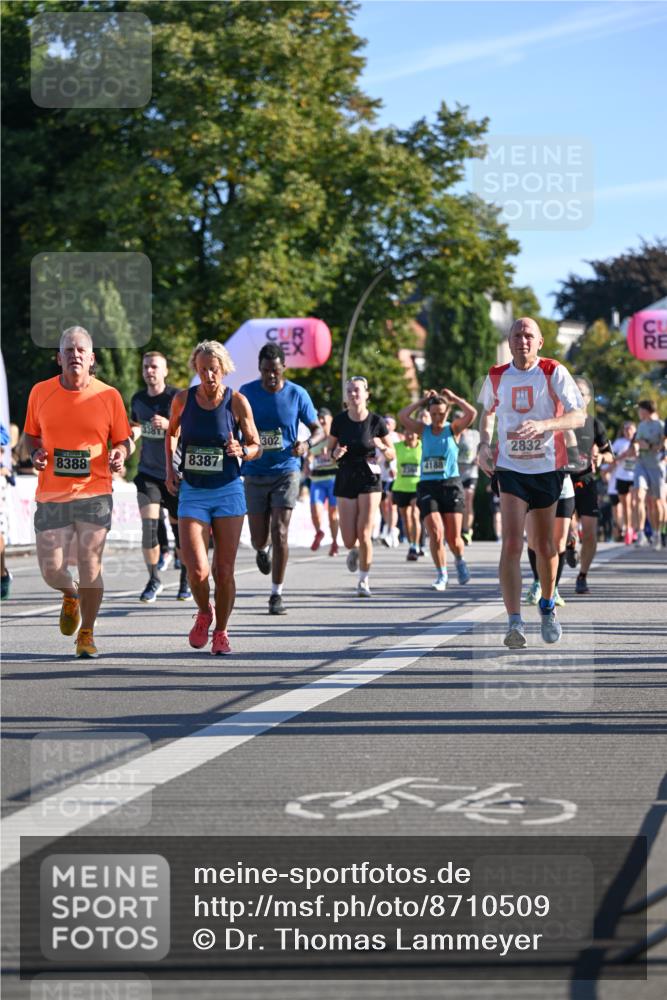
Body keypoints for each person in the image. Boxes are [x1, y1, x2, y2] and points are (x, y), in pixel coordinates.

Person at [22, 326, 132, 658]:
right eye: (68, 350)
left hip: (95, 491)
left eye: (81, 350)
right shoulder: (40, 392)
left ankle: (87, 633)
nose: (75, 355)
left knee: (90, 563)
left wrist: (120, 454)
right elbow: (31, 434)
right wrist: (35, 453)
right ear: (58, 358)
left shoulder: (108, 395)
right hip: (52, 494)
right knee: (51, 568)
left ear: (92, 358)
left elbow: (124, 439)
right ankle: (69, 595)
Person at [477, 317, 585, 648]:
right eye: (516, 335)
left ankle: (548, 605)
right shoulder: (496, 375)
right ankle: (514, 622)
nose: (522, 340)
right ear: (508, 342)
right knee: (511, 543)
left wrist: (545, 425)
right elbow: (487, 414)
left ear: (539, 342)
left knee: (545, 546)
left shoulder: (554, 371)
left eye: (528, 336)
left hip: (548, 468)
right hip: (510, 468)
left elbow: (578, 415)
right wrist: (484, 444)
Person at [165, 340, 261, 654]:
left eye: (214, 369)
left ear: (224, 369)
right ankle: (204, 611)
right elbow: (172, 433)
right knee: (197, 569)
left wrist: (243, 451)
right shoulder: (182, 400)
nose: (209, 375)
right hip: (193, 491)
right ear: (196, 369)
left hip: (228, 490)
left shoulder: (237, 402)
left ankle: (221, 631)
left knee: (224, 570)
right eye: (203, 369)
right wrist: (171, 469)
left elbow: (256, 444)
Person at [239, 343, 321, 615]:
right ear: (259, 369)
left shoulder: (298, 394)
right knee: (258, 537)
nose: (270, 376)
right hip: (254, 471)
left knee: (281, 530)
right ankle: (262, 551)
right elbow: (233, 425)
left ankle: (276, 593)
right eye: (265, 371)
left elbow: (317, 430)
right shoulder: (247, 393)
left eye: (275, 370)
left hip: (286, 470)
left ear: (284, 368)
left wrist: (307, 445)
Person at [399, 389, 476, 591]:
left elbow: (472, 414)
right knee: (436, 532)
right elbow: (402, 416)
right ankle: (442, 574)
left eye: (441, 413)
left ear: (447, 412)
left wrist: (456, 398)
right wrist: (422, 400)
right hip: (428, 485)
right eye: (433, 414)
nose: (437, 418)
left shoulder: (453, 429)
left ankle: (459, 559)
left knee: (454, 538)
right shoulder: (423, 430)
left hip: (451, 485)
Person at [130, 351, 190, 603]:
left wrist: (169, 426)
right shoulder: (138, 399)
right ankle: (154, 579)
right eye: (146, 367)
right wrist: (126, 445)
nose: (149, 371)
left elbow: (193, 428)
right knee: (149, 528)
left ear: (165, 371)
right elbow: (134, 427)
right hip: (148, 474)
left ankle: (186, 580)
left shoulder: (177, 397)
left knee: (180, 534)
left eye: (154, 366)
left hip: (175, 473)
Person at [329, 376, 396, 597]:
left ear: (367, 394)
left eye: (357, 390)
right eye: (349, 391)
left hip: (370, 477)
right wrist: (335, 454)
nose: (353, 394)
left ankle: (363, 580)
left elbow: (392, 452)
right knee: (349, 539)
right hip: (346, 475)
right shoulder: (339, 421)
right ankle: (355, 550)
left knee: (365, 531)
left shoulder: (377, 422)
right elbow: (330, 454)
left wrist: (382, 447)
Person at [567, 377, 613, 595]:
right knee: (568, 528)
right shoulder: (561, 420)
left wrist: (602, 458)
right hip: (563, 480)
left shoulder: (594, 424)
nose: (578, 396)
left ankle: (582, 576)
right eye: (574, 392)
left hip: (586, 481)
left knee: (592, 533)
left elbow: (610, 455)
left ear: (588, 399)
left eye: (582, 393)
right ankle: (569, 543)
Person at [525, 472, 574, 607]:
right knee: (534, 540)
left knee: (559, 544)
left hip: (563, 485)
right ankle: (537, 582)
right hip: (534, 483)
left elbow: (600, 453)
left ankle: (554, 589)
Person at [632, 399, 666, 546]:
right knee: (639, 495)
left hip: (656, 466)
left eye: (640, 410)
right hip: (641, 463)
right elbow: (637, 441)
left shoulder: (661, 425)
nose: (639, 412)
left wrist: (653, 445)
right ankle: (641, 534)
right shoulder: (641, 425)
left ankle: (657, 533)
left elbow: (663, 445)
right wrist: (638, 445)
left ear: (646, 410)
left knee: (656, 503)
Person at [307, 407, 340, 556]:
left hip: (333, 479)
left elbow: (341, 454)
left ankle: (334, 543)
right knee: (315, 511)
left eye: (324, 420)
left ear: (331, 420)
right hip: (317, 480)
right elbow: (309, 456)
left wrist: (333, 454)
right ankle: (319, 532)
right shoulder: (315, 438)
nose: (321, 423)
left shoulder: (336, 438)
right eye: (319, 420)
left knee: (333, 514)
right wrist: (307, 463)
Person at [391, 429, 422, 560]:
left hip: (418, 486)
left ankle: (415, 545)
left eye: (412, 432)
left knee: (415, 514)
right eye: (407, 432)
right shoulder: (397, 446)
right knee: (405, 518)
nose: (410, 435)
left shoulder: (423, 446)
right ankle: (411, 544)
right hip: (400, 487)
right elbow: (388, 454)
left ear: (417, 433)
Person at [610, 421, 637, 544]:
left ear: (635, 430)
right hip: (621, 477)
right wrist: (624, 455)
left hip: (635, 477)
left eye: (630, 429)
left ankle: (635, 529)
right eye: (626, 429)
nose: (628, 431)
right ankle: (628, 529)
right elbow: (612, 459)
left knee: (634, 503)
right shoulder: (619, 443)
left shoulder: (639, 442)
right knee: (625, 505)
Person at [378, 415, 401, 548]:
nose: (386, 425)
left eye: (389, 423)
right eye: (384, 422)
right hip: (380, 475)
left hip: (393, 476)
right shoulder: (377, 436)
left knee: (391, 504)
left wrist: (393, 468)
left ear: (394, 426)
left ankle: (391, 531)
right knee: (383, 505)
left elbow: (395, 456)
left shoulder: (395, 438)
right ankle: (391, 528)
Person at [457, 421, 480, 544]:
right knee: (458, 502)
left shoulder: (474, 434)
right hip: (456, 473)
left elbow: (481, 447)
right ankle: (458, 530)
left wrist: (479, 457)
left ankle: (467, 531)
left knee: (467, 499)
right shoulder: (453, 434)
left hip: (471, 472)